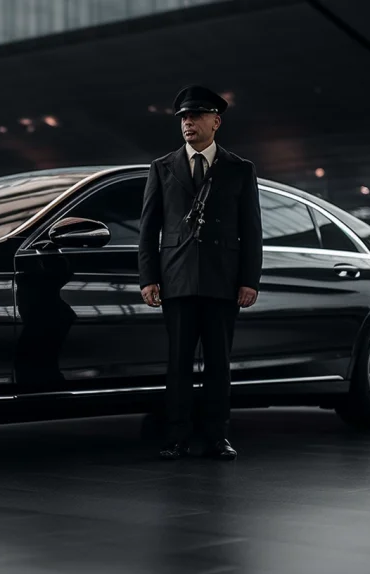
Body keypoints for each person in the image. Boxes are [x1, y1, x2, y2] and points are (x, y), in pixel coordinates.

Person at [138, 85, 263, 461]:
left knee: (218, 366)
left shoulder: (240, 169)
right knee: (178, 364)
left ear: (216, 122)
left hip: (223, 280)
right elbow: (149, 228)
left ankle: (217, 437)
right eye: (183, 118)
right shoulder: (162, 167)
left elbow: (252, 229)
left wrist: (249, 280)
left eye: (195, 116)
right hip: (176, 280)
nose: (187, 123)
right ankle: (176, 437)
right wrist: (148, 278)